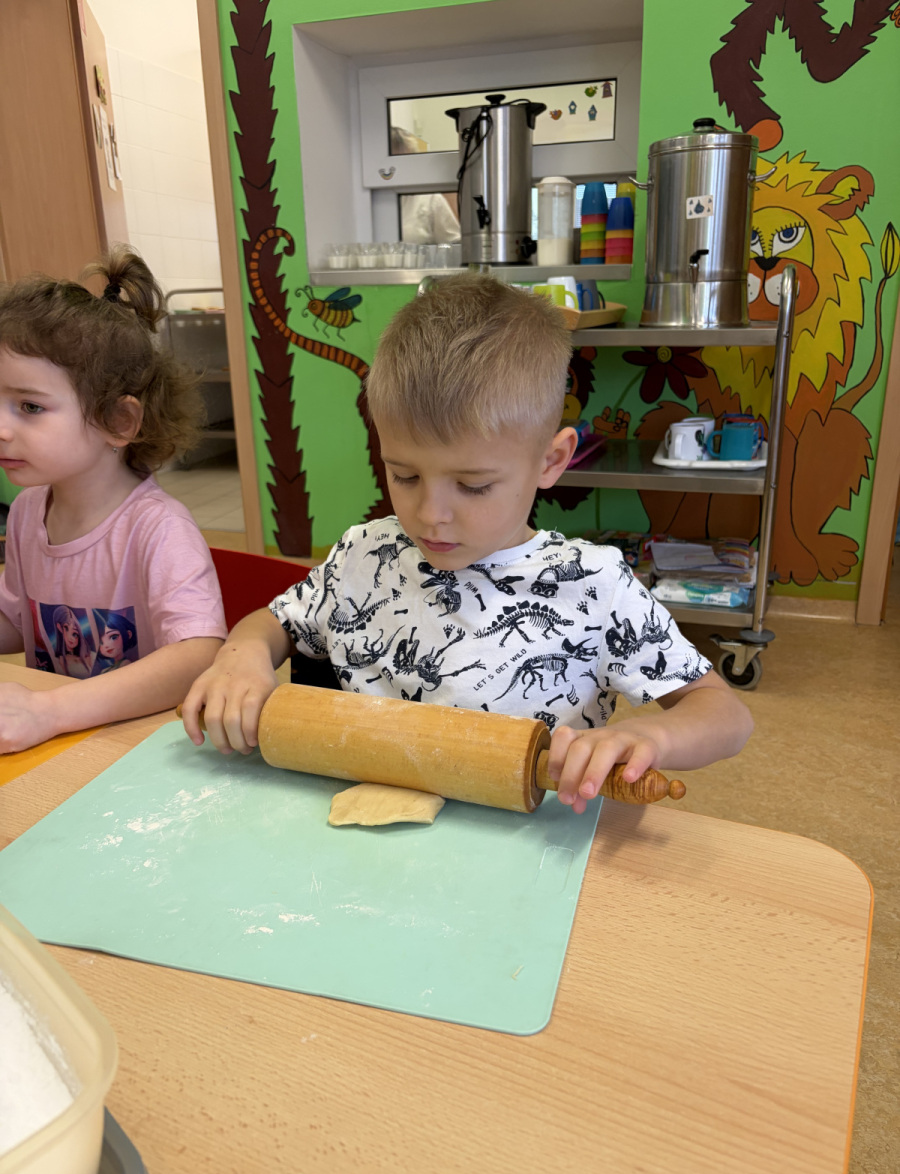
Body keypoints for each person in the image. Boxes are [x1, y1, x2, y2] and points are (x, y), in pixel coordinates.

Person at [182, 274, 752, 812]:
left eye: (473, 485)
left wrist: (652, 734)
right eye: (404, 475)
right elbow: (276, 622)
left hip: (532, 843)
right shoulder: (364, 553)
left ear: (551, 460)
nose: (430, 515)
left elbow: (724, 714)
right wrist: (242, 656)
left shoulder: (595, 586)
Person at [0, 247, 227, 753]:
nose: (2, 427)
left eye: (29, 406)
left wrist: (50, 710)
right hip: (60, 744)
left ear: (118, 422)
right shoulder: (27, 512)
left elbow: (198, 654)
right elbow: (17, 623)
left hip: (137, 751)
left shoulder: (159, 529)